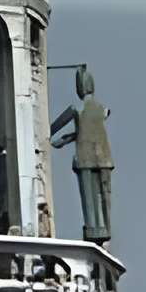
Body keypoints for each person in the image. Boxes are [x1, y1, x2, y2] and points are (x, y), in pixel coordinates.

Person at [51, 66, 115, 242]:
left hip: (85, 158)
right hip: (104, 158)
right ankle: (106, 228)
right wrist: (66, 139)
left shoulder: (76, 108)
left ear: (80, 87)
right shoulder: (103, 109)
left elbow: (54, 128)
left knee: (89, 198)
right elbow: (85, 132)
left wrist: (49, 134)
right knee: (104, 197)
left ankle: (93, 229)